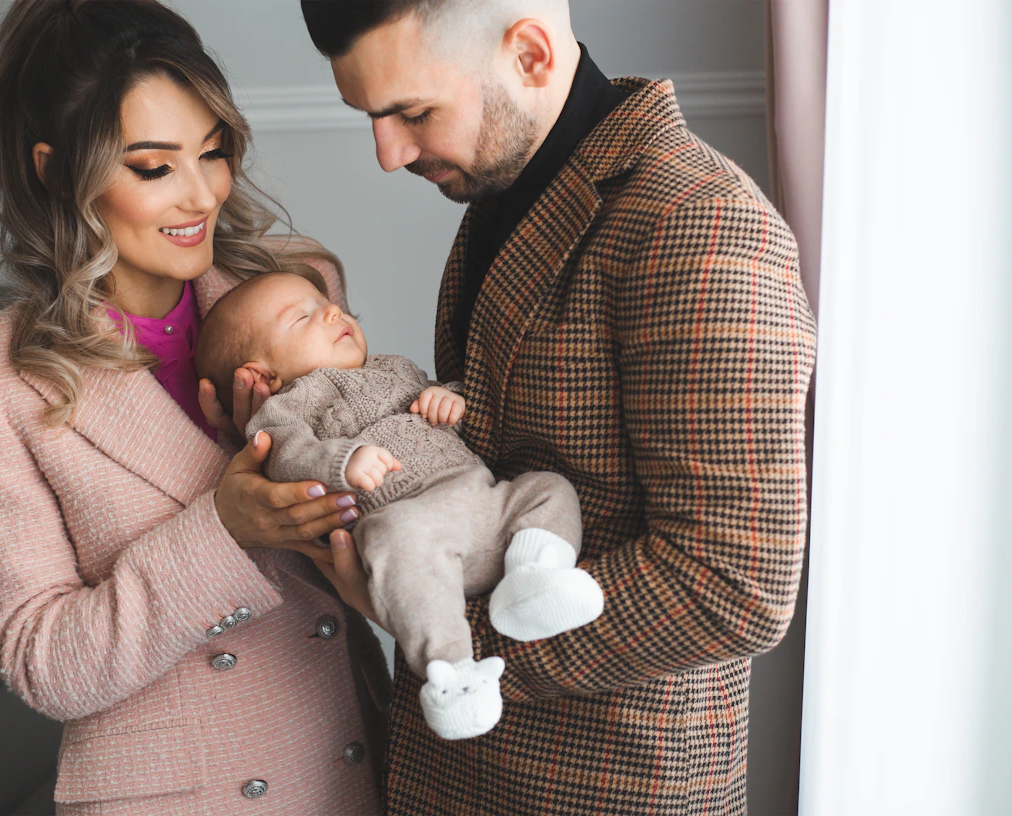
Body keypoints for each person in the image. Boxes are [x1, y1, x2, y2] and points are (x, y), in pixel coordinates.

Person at [299, 1, 819, 813]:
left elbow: (731, 584)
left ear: (532, 55)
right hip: (462, 774)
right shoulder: (506, 190)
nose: (387, 153)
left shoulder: (700, 226)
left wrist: (449, 640)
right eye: (372, 117)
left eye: (412, 112)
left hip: (606, 784)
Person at [0, 1, 388, 812]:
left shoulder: (298, 289)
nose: (201, 194)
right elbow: (45, 662)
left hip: (355, 757)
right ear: (54, 170)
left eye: (213, 152)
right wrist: (224, 527)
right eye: (152, 166)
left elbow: (384, 499)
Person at [194, 268, 604, 740]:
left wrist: (445, 397)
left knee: (547, 489)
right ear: (262, 374)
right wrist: (342, 462)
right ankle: (453, 673)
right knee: (397, 538)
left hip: (483, 503)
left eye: (331, 305)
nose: (333, 310)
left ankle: (537, 574)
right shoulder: (285, 409)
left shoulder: (392, 368)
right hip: (413, 526)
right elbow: (287, 457)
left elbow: (434, 400)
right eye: (304, 316)